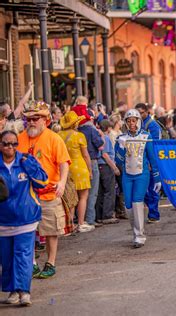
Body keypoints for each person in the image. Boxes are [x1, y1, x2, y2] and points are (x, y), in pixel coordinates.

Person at [17, 100, 71, 279]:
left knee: (50, 230)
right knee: (27, 230)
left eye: (36, 118)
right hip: (25, 195)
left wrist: (62, 183)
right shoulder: (19, 139)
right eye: (29, 119)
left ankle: (51, 262)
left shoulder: (54, 138)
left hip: (49, 192)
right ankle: (31, 263)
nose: (31, 122)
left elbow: (63, 163)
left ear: (45, 120)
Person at [0, 130, 48, 306]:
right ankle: (13, 289)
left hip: (26, 218)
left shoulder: (26, 160)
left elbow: (43, 181)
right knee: (6, 258)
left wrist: (30, 167)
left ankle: (24, 291)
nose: (10, 147)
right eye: (6, 143)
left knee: (23, 255)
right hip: (3, 220)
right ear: (0, 144)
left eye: (14, 143)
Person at [115, 109, 161, 248]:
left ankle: (139, 236)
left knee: (137, 202)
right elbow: (118, 160)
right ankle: (135, 232)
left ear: (139, 121)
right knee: (128, 205)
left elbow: (152, 158)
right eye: (129, 121)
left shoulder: (146, 136)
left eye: (134, 120)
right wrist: (122, 148)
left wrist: (157, 177)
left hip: (142, 174)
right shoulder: (121, 137)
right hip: (127, 175)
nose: (131, 123)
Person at [58, 111, 94, 233]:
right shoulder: (79, 136)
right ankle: (81, 223)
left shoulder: (58, 135)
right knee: (83, 196)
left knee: (70, 197)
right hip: (80, 167)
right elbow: (86, 155)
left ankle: (69, 224)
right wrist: (90, 170)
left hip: (65, 168)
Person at [77, 101, 104, 227]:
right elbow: (100, 146)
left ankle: (80, 219)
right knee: (92, 192)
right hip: (91, 161)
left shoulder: (77, 131)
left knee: (80, 194)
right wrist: (102, 136)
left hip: (78, 163)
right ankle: (90, 219)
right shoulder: (92, 130)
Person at [136, 103, 162, 223]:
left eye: (141, 112)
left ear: (147, 112)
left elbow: (155, 146)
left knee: (152, 189)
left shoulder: (153, 125)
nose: (139, 115)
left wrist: (152, 162)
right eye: (137, 113)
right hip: (137, 161)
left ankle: (153, 214)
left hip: (150, 161)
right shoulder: (134, 124)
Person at [96, 119, 120, 225]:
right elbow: (105, 154)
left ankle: (99, 215)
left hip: (99, 166)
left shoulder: (98, 136)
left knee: (101, 191)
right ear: (108, 128)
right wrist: (114, 167)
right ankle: (107, 215)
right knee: (109, 191)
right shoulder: (105, 137)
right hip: (106, 166)